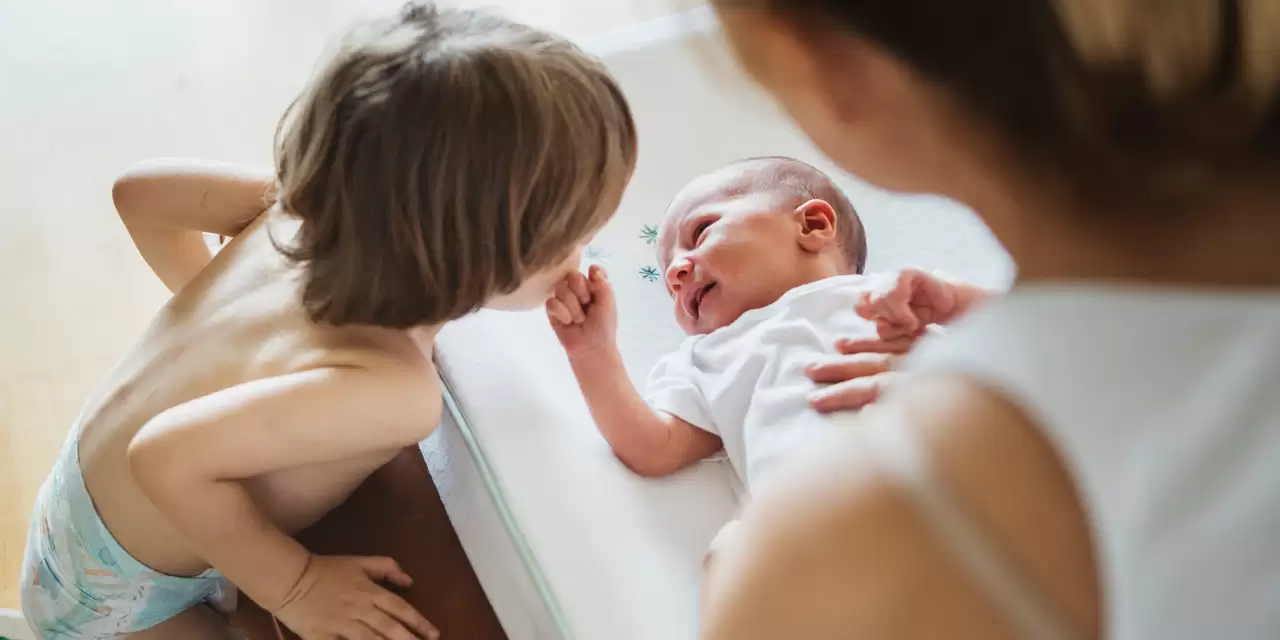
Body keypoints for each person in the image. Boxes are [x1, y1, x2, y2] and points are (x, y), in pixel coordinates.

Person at [19, 4, 637, 639]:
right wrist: (297, 586)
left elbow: (138, 193)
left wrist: (236, 340)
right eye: (574, 237)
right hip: (115, 599)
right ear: (477, 259)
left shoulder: (292, 215)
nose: (581, 254)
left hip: (75, 501)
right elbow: (163, 457)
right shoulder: (393, 388)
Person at [698, 2, 1280, 639]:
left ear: (815, 56)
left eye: (700, 232)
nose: (679, 269)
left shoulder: (839, 554)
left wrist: (735, 570)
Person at [545, 156, 989, 489]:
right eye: (668, 282)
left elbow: (1032, 340)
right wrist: (594, 353)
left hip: (958, 457)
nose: (677, 273)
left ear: (812, 225)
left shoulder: (894, 297)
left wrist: (957, 302)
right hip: (817, 510)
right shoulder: (705, 358)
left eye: (700, 233)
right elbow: (655, 448)